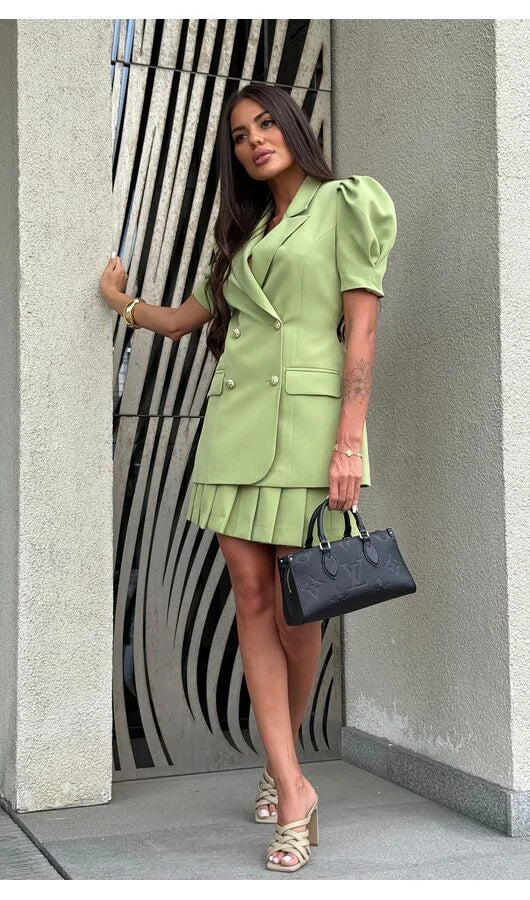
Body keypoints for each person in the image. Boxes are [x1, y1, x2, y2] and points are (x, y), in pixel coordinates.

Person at [100, 82, 397, 873]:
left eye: (267, 123)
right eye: (239, 134)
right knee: (251, 597)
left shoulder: (347, 205)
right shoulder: (240, 234)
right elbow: (181, 319)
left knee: (302, 617)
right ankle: (294, 788)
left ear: (293, 128)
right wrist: (121, 304)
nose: (255, 139)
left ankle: (279, 754)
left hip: (309, 431)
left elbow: (361, 333)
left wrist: (347, 445)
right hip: (233, 432)